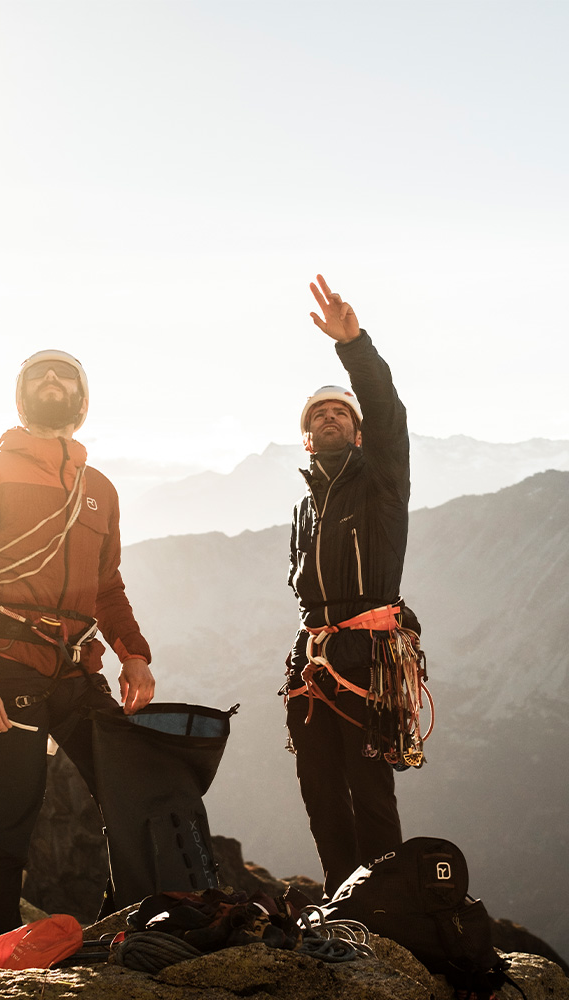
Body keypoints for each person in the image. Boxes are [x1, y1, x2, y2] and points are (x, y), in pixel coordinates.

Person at [0, 348, 155, 941]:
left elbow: (106, 584)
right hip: (11, 666)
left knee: (129, 785)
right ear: (22, 395)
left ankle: (129, 929)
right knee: (13, 809)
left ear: (82, 400)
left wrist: (133, 652)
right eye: (41, 376)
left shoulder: (101, 490)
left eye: (67, 377)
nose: (54, 383)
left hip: (78, 670)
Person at [284, 274, 423, 899]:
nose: (331, 418)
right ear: (307, 437)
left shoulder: (383, 481)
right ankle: (342, 898)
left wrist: (354, 344)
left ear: (359, 431)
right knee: (319, 790)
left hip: (367, 655)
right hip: (313, 658)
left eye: (342, 411)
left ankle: (385, 902)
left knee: (368, 790)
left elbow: (388, 409)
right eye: (319, 415)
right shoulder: (303, 508)